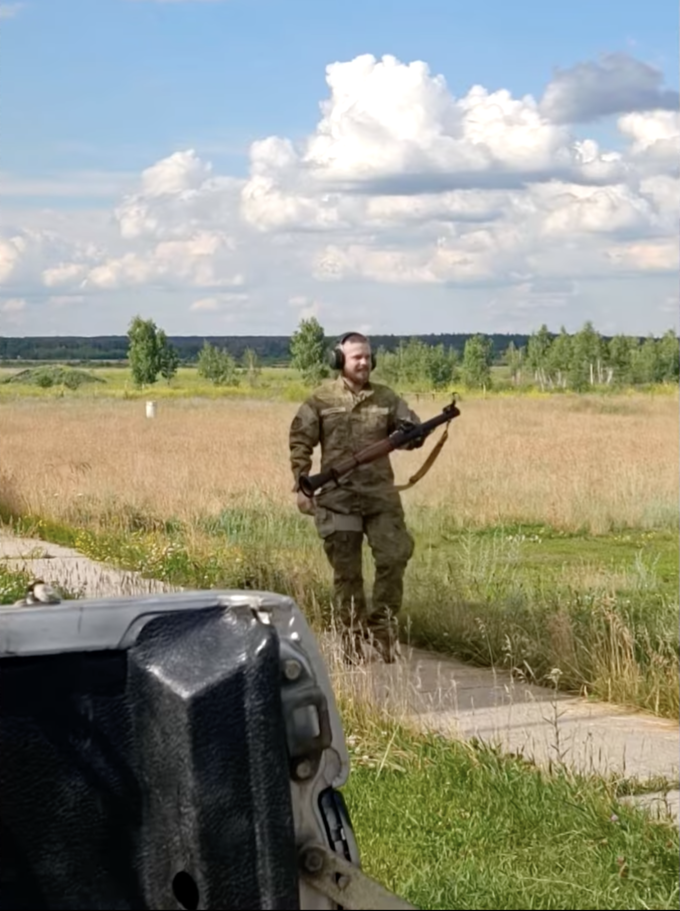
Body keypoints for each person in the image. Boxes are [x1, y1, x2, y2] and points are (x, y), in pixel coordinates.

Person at [288, 332, 424, 663]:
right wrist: (302, 486)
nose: (363, 362)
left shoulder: (387, 398)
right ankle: (351, 640)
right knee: (347, 575)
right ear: (339, 361)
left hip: (380, 498)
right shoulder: (320, 400)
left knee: (394, 557)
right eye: (356, 357)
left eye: (367, 356)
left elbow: (412, 434)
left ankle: (383, 630)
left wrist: (412, 434)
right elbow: (300, 441)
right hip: (338, 499)